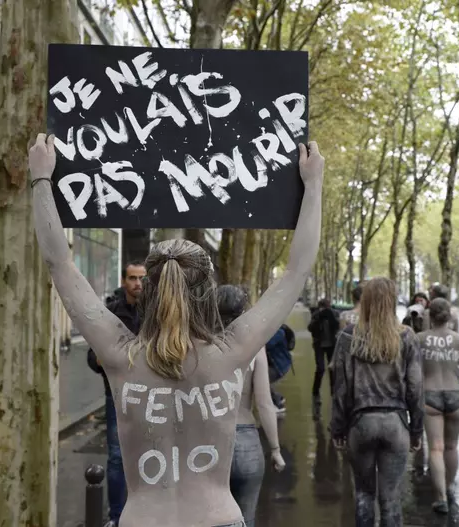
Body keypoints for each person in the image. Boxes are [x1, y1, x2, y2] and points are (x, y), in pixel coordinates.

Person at [29, 133, 323, 527]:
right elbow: (296, 271)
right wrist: (313, 185)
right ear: (209, 293)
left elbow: (59, 265)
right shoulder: (232, 351)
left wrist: (42, 180)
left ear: (147, 290)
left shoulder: (120, 354)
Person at [331, 277, 424, 527]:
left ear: (366, 302)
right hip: (395, 423)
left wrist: (337, 427)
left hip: (360, 423)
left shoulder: (348, 336)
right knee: (391, 498)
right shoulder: (407, 337)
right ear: (392, 302)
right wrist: (416, 429)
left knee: (363, 494)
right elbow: (415, 388)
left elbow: (340, 387)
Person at [217, 285, 286, 526]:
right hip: (247, 442)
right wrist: (276, 449)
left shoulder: (202, 346)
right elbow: (265, 403)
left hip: (211, 443)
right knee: (246, 518)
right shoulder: (254, 347)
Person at [86, 261, 146, 527]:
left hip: (151, 395)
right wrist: (103, 359)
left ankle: (145, 510)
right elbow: (92, 357)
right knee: (117, 456)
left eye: (142, 278)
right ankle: (117, 516)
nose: (138, 284)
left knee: (150, 452)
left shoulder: (157, 311)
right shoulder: (110, 312)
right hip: (117, 395)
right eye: (133, 278)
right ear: (124, 281)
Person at [418, 298, 459, 513]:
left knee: (435, 448)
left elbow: (411, 373)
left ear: (430, 315)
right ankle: (447, 486)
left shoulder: (419, 339)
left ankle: (441, 497)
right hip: (455, 397)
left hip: (430, 397)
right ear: (449, 316)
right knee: (452, 446)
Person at [308, 298, 339, 418]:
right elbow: (310, 328)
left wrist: (330, 316)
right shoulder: (316, 315)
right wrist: (319, 318)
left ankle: (333, 391)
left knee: (332, 369)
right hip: (319, 345)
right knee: (320, 368)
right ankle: (315, 391)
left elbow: (337, 327)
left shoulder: (334, 314)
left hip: (331, 344)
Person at [265, 325, 293, 412]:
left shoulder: (278, 332)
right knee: (263, 381)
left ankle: (277, 404)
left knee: (262, 380)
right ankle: (278, 398)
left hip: (280, 366)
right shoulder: (273, 330)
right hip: (277, 364)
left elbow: (267, 344)